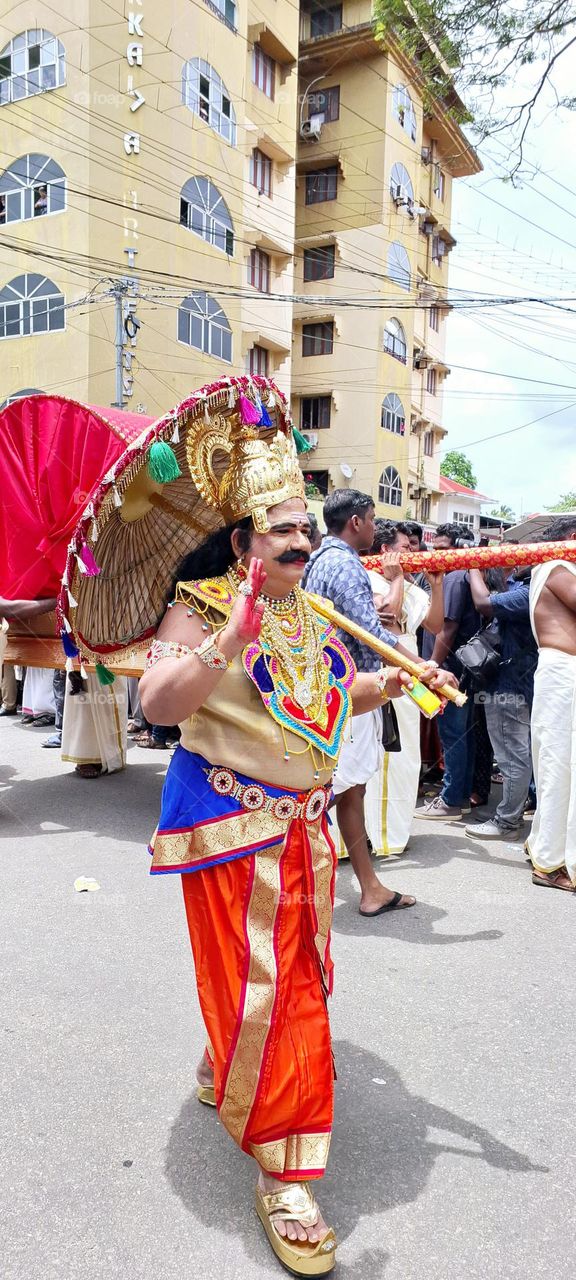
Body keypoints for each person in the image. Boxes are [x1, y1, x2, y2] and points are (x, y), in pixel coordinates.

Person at [138, 424, 432, 1275]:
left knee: (284, 980)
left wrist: (391, 681)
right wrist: (228, 638)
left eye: (307, 528)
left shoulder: (312, 613)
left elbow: (328, 699)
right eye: (283, 532)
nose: (303, 543)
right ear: (242, 544)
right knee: (280, 995)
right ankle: (286, 1174)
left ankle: (225, 1060)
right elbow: (159, 703)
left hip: (304, 833)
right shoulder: (199, 607)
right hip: (233, 833)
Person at [303, 490, 453, 914]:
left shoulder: (321, 560)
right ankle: (291, 879)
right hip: (348, 693)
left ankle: (369, 888)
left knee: (350, 791)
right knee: (329, 792)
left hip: (343, 690)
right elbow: (372, 633)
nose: (374, 526)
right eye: (371, 518)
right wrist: (424, 667)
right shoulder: (343, 564)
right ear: (355, 522)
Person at [365, 520, 444, 855]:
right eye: (406, 547)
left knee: (407, 755)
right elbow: (387, 618)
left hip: (411, 670)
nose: (414, 551)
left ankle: (391, 834)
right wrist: (396, 578)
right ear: (386, 551)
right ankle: (376, 836)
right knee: (381, 757)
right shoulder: (367, 579)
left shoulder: (411, 587)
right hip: (387, 670)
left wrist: (436, 586)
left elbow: (435, 625)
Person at [465, 566, 537, 839]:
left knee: (512, 757)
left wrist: (473, 566)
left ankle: (507, 822)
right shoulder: (523, 585)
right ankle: (511, 813)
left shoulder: (529, 590)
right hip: (511, 683)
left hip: (509, 686)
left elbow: (484, 603)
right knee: (517, 754)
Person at [416, 523, 480, 821]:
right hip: (459, 669)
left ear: (457, 548)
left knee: (453, 735)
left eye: (444, 548)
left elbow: (449, 626)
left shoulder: (454, 577)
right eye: (435, 548)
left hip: (448, 670)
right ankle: (460, 796)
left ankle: (451, 799)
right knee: (461, 735)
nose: (437, 554)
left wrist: (433, 664)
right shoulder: (459, 575)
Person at [526, 515, 576, 891]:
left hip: (563, 677)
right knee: (559, 768)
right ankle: (549, 862)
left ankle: (547, 848)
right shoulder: (556, 566)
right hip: (562, 675)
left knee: (561, 768)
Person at [61, 671, 128, 778]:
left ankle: (107, 756)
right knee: (86, 709)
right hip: (85, 666)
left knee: (110, 705)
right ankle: (85, 759)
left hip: (110, 664)